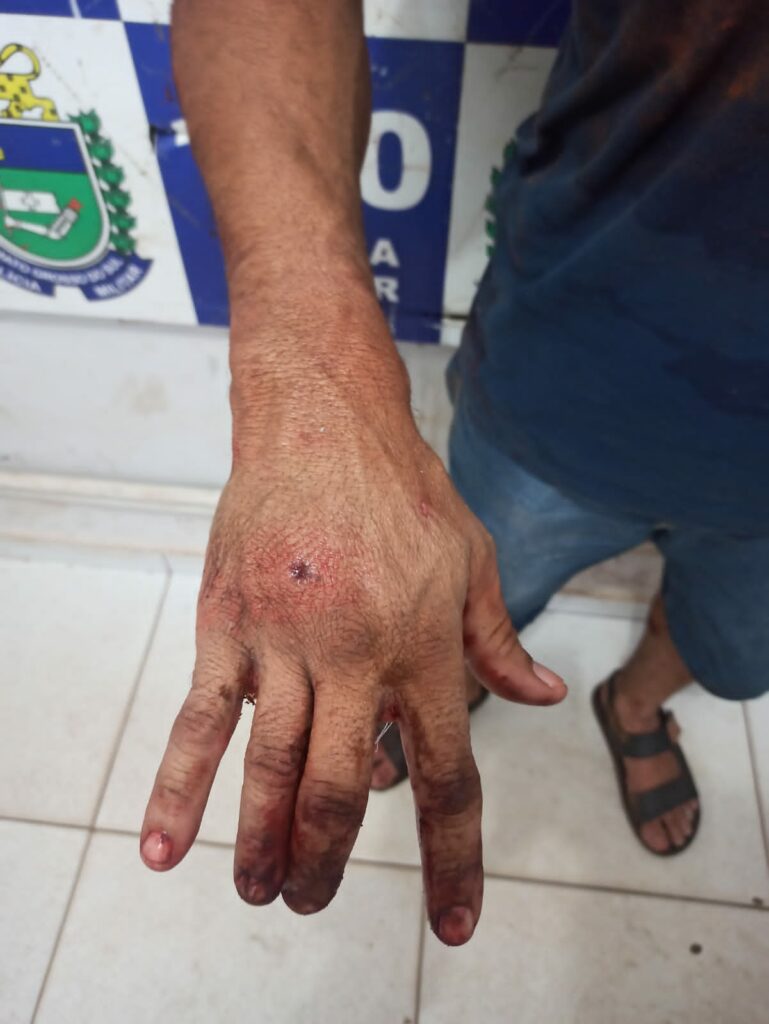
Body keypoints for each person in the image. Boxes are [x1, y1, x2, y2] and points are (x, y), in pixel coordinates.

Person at [139, 0, 769, 946]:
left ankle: (634, 705)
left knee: (733, 649)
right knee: (461, 611)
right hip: (571, 363)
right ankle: (447, 687)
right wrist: (309, 376)